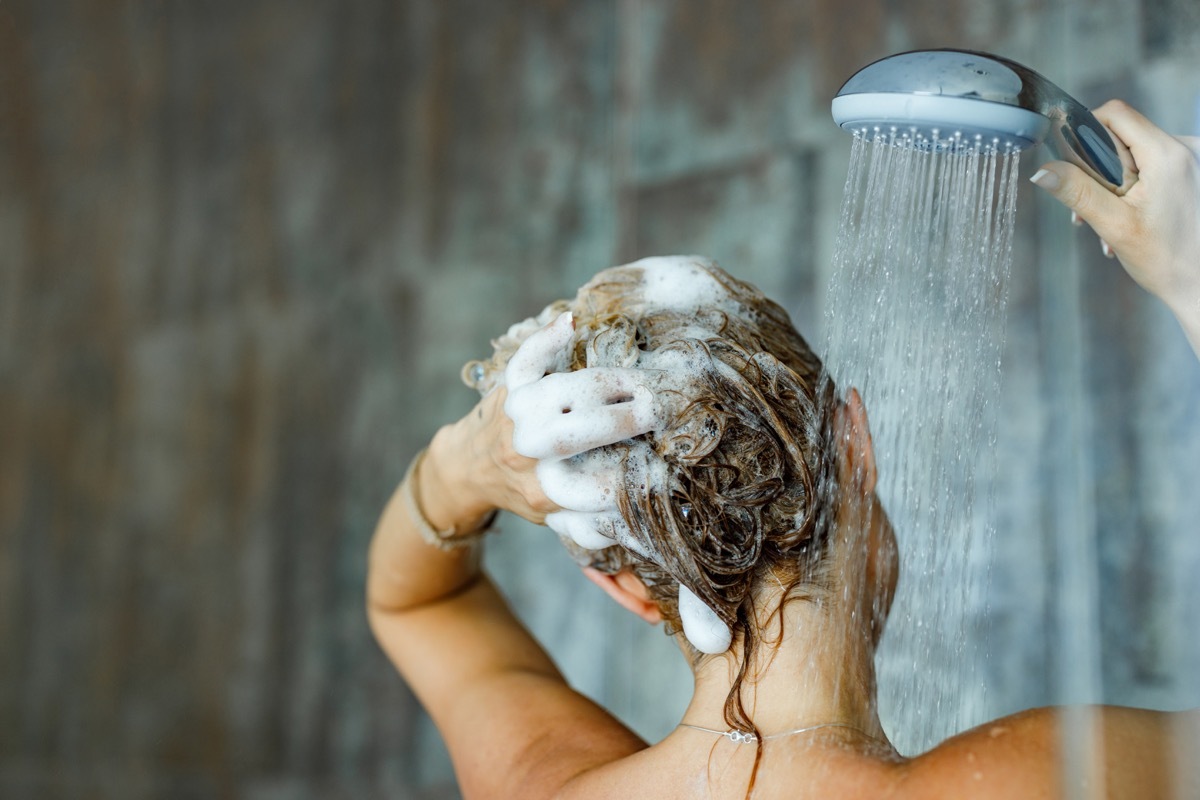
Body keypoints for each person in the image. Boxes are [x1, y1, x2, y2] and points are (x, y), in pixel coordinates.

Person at [366, 101, 1199, 799]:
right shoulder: (1038, 776)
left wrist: (464, 465)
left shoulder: (543, 787)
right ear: (856, 445)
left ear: (626, 589)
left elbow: (415, 603)